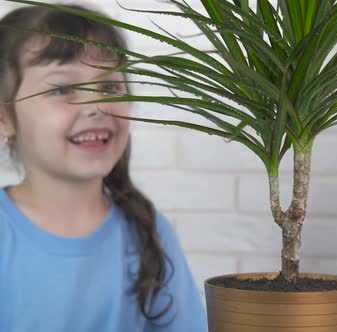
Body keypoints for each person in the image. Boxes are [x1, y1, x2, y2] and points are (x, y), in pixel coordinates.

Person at [0, 4, 208, 331]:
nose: (97, 107)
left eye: (110, 87)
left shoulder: (149, 233)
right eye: (62, 89)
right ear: (4, 117)